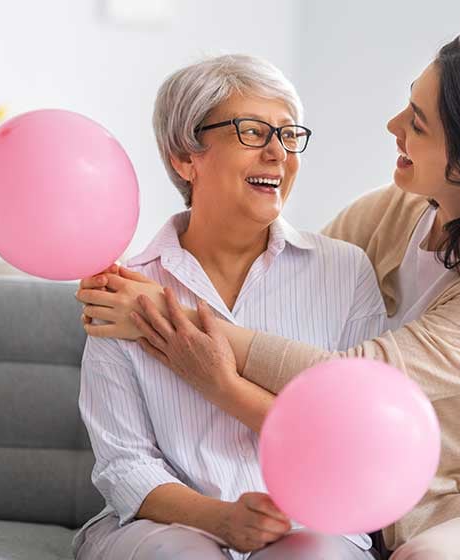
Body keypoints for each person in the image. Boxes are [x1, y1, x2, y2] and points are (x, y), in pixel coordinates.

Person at [78, 34, 460, 559]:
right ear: (184, 155)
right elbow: (292, 268)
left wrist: (170, 325)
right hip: (386, 514)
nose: (393, 126)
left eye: (417, 122)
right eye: (253, 132)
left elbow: (353, 387)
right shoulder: (393, 214)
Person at [72, 54, 385, 560]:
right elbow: (124, 464)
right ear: (184, 156)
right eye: (253, 132)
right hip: (166, 525)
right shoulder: (125, 287)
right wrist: (220, 519)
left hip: (313, 527)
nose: (278, 153)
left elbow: (359, 444)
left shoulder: (345, 273)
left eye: (288, 135)